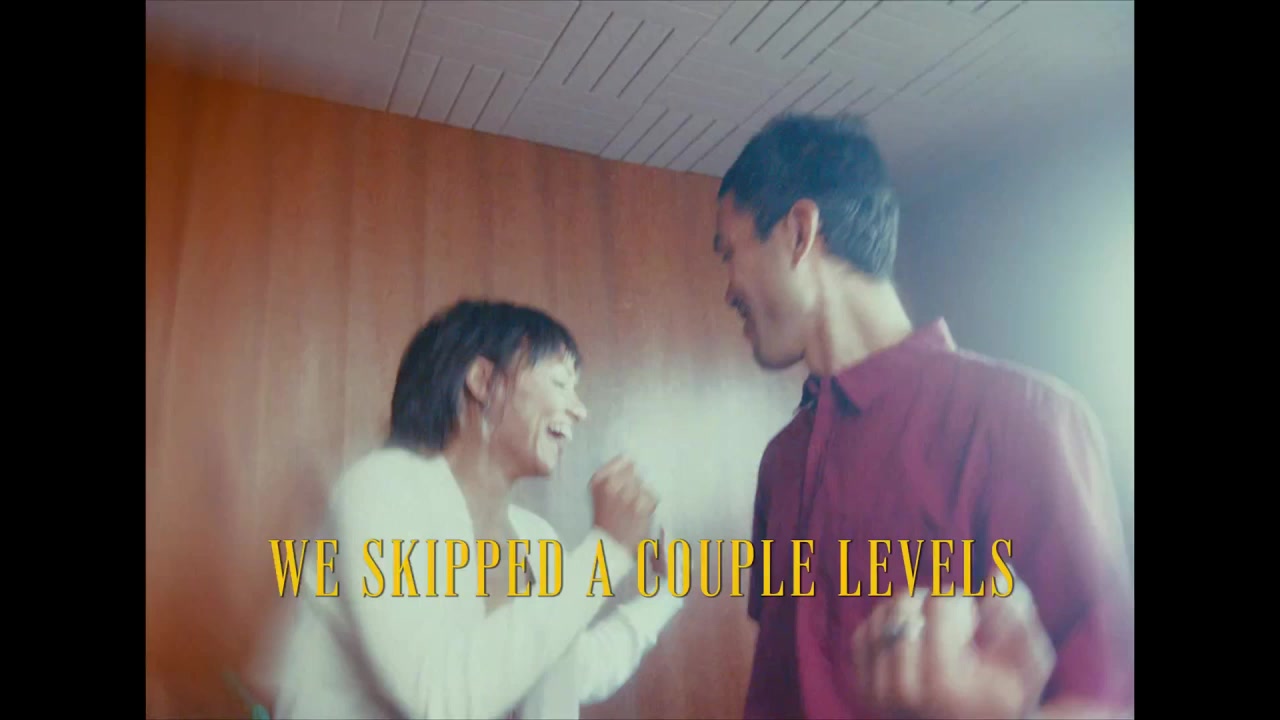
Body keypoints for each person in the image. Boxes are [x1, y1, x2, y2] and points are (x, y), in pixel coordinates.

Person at [713, 114, 1134, 719]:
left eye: (729, 252)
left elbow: (1107, 694)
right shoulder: (780, 461)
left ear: (799, 232)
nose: (727, 288)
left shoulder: (1026, 420)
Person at [268, 299, 684, 719]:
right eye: (560, 383)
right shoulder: (382, 487)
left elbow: (573, 670)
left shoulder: (537, 538)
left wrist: (667, 595)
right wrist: (608, 550)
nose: (579, 409)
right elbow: (438, 698)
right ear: (483, 381)